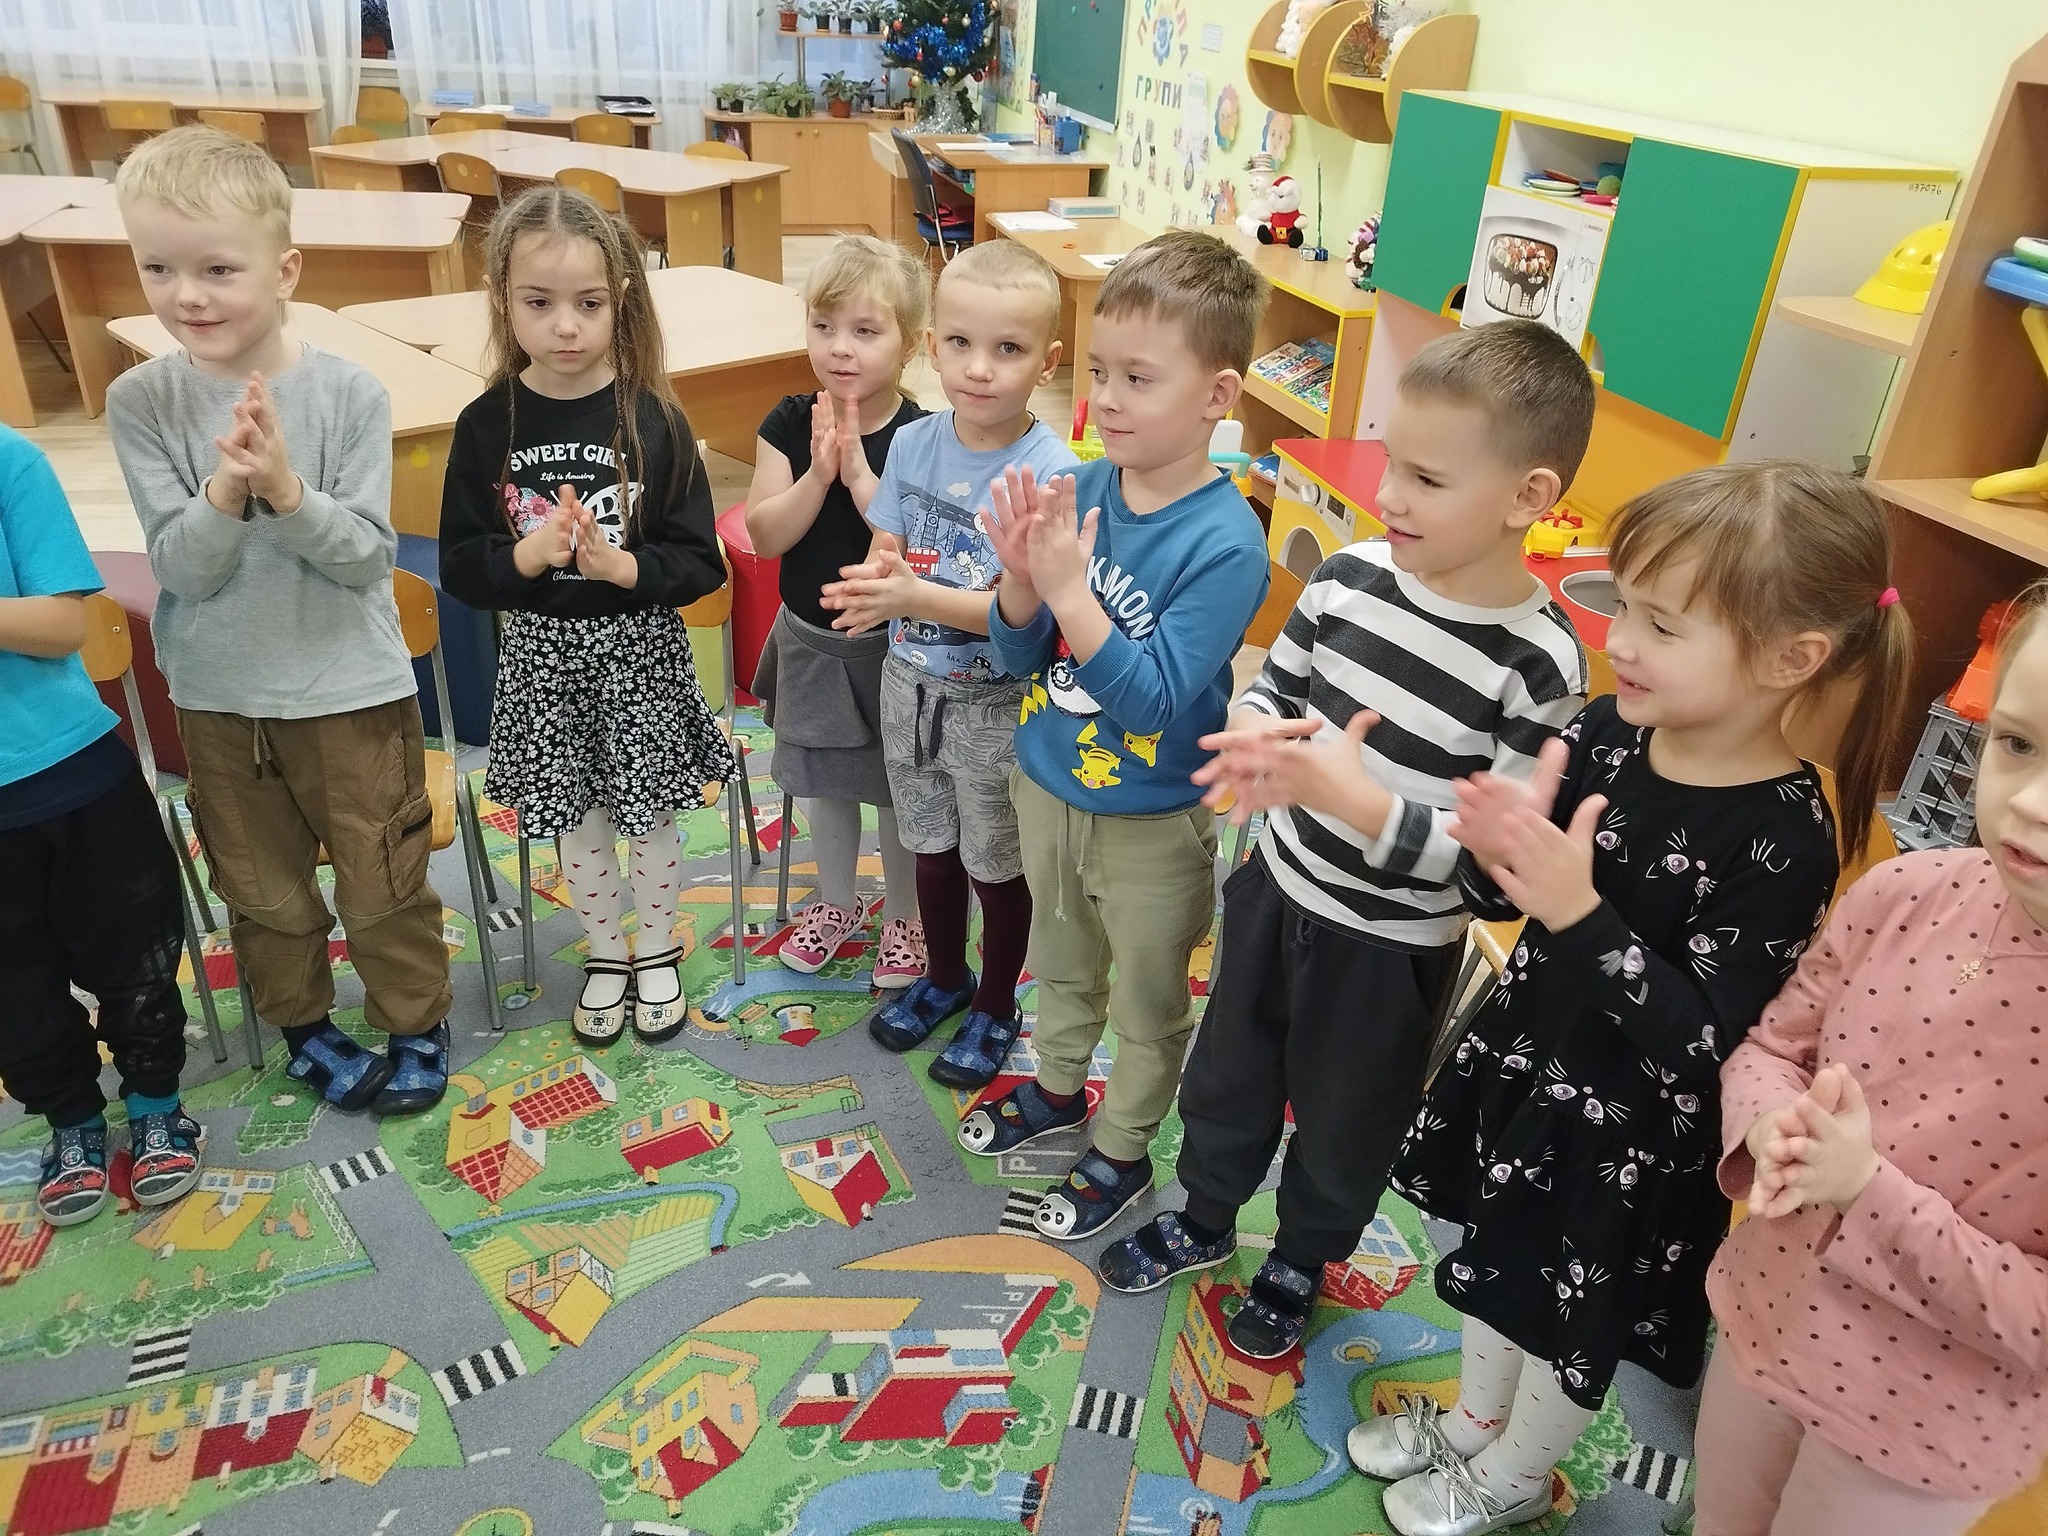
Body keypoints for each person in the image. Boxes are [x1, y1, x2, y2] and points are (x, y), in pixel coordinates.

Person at [1346, 460, 1911, 1536]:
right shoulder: (1606, 730)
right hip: (1531, 1061)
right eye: (1625, 607)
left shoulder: (1785, 837)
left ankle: (1515, 1477)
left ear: (1790, 659)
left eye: (1661, 624)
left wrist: (1576, 911)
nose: (1621, 641)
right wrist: (1496, 852)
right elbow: (1511, 896)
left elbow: (1705, 1045)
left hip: (1627, 1135)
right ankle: (1472, 1424)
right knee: (1493, 1257)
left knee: (1565, 1310)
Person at [1098, 321, 1595, 1361]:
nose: (1390, 497)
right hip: (1275, 886)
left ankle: (1298, 1259)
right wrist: (1253, 731)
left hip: (1391, 951)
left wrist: (1366, 808)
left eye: (1426, 479)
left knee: (1345, 1121)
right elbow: (1276, 683)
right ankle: (1204, 1215)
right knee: (1226, 1078)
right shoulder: (1347, 577)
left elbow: (1497, 869)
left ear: (1527, 496)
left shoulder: (1540, 665)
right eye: (1389, 464)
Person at [106, 125, 453, 1116]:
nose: (187, 295)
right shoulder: (141, 402)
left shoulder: (348, 394)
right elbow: (181, 569)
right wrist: (225, 491)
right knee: (261, 888)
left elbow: (366, 560)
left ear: (284, 269)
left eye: (217, 268)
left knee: (383, 877)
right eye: (158, 268)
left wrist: (287, 491)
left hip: (350, 691)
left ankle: (415, 1021)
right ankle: (304, 1027)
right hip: (222, 699)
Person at [1694, 585, 2048, 1536]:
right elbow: (1774, 1045)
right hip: (1769, 1322)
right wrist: (1769, 1124)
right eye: (2018, 744)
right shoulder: (1903, 891)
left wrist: (1865, 1191)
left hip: (1927, 1427)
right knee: (1721, 1513)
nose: (2030, 803)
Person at [961, 230, 1271, 1243]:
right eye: (1099, 373)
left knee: (1146, 1003)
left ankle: (1125, 1145)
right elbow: (1017, 656)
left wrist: (1064, 589)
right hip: (1046, 785)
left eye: (1139, 377)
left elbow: (1148, 702)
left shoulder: (1226, 543)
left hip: (1149, 823)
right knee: (1058, 961)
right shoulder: (1084, 489)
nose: (1107, 400)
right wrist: (1019, 581)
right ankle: (1057, 1088)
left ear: (1217, 395)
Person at [440, 187, 731, 1047]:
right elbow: (460, 565)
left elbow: (700, 561)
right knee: (579, 820)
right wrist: (528, 556)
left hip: (640, 655)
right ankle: (607, 952)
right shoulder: (485, 423)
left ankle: (656, 947)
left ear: (621, 299)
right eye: (539, 303)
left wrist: (624, 566)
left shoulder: (655, 416)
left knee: (650, 815)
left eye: (589, 304)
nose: (565, 326)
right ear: (502, 300)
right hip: (543, 659)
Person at [819, 240, 1076, 1086]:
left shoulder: (1051, 473)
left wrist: (911, 596)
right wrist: (874, 582)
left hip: (995, 702)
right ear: (932, 346)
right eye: (960, 343)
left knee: (995, 864)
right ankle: (944, 978)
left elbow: (1020, 616)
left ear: (1048, 361)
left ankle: (996, 1005)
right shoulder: (916, 443)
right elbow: (888, 543)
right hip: (908, 685)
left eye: (1009, 348)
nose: (980, 368)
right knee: (928, 846)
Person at [0, 426, 204, 1227]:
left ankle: (155, 1103)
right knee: (15, 989)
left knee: (134, 957)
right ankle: (72, 1122)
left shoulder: (11, 460)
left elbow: (64, 626)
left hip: (70, 772)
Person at [746, 236, 929, 987]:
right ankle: (835, 901)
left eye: (865, 330)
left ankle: (907, 914)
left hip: (897, 648)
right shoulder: (789, 421)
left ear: (909, 344)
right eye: (823, 327)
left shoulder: (923, 435)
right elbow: (764, 536)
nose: (840, 347)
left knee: (898, 789)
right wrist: (818, 475)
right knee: (823, 782)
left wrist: (857, 474)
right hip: (811, 642)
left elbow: (913, 544)